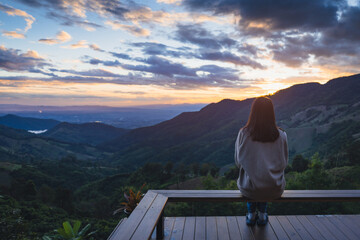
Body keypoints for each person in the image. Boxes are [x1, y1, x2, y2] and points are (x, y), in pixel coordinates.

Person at [234, 96, 288, 226]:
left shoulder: (243, 133)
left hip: (249, 189)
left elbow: (238, 162)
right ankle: (263, 215)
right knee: (265, 180)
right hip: (274, 188)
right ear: (271, 113)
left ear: (253, 112)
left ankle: (251, 214)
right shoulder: (281, 135)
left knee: (252, 180)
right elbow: (284, 162)